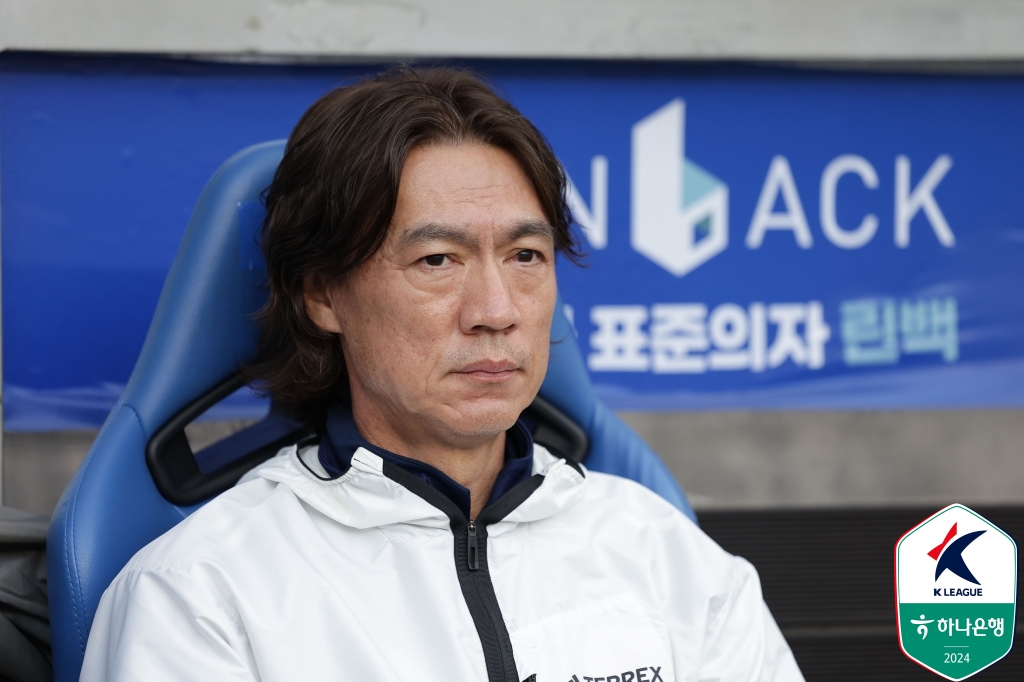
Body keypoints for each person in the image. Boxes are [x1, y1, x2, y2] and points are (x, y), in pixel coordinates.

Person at [81, 67, 803, 682]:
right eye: (437, 260)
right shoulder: (201, 594)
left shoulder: (669, 558)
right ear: (322, 294)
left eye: (525, 256)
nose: (496, 310)